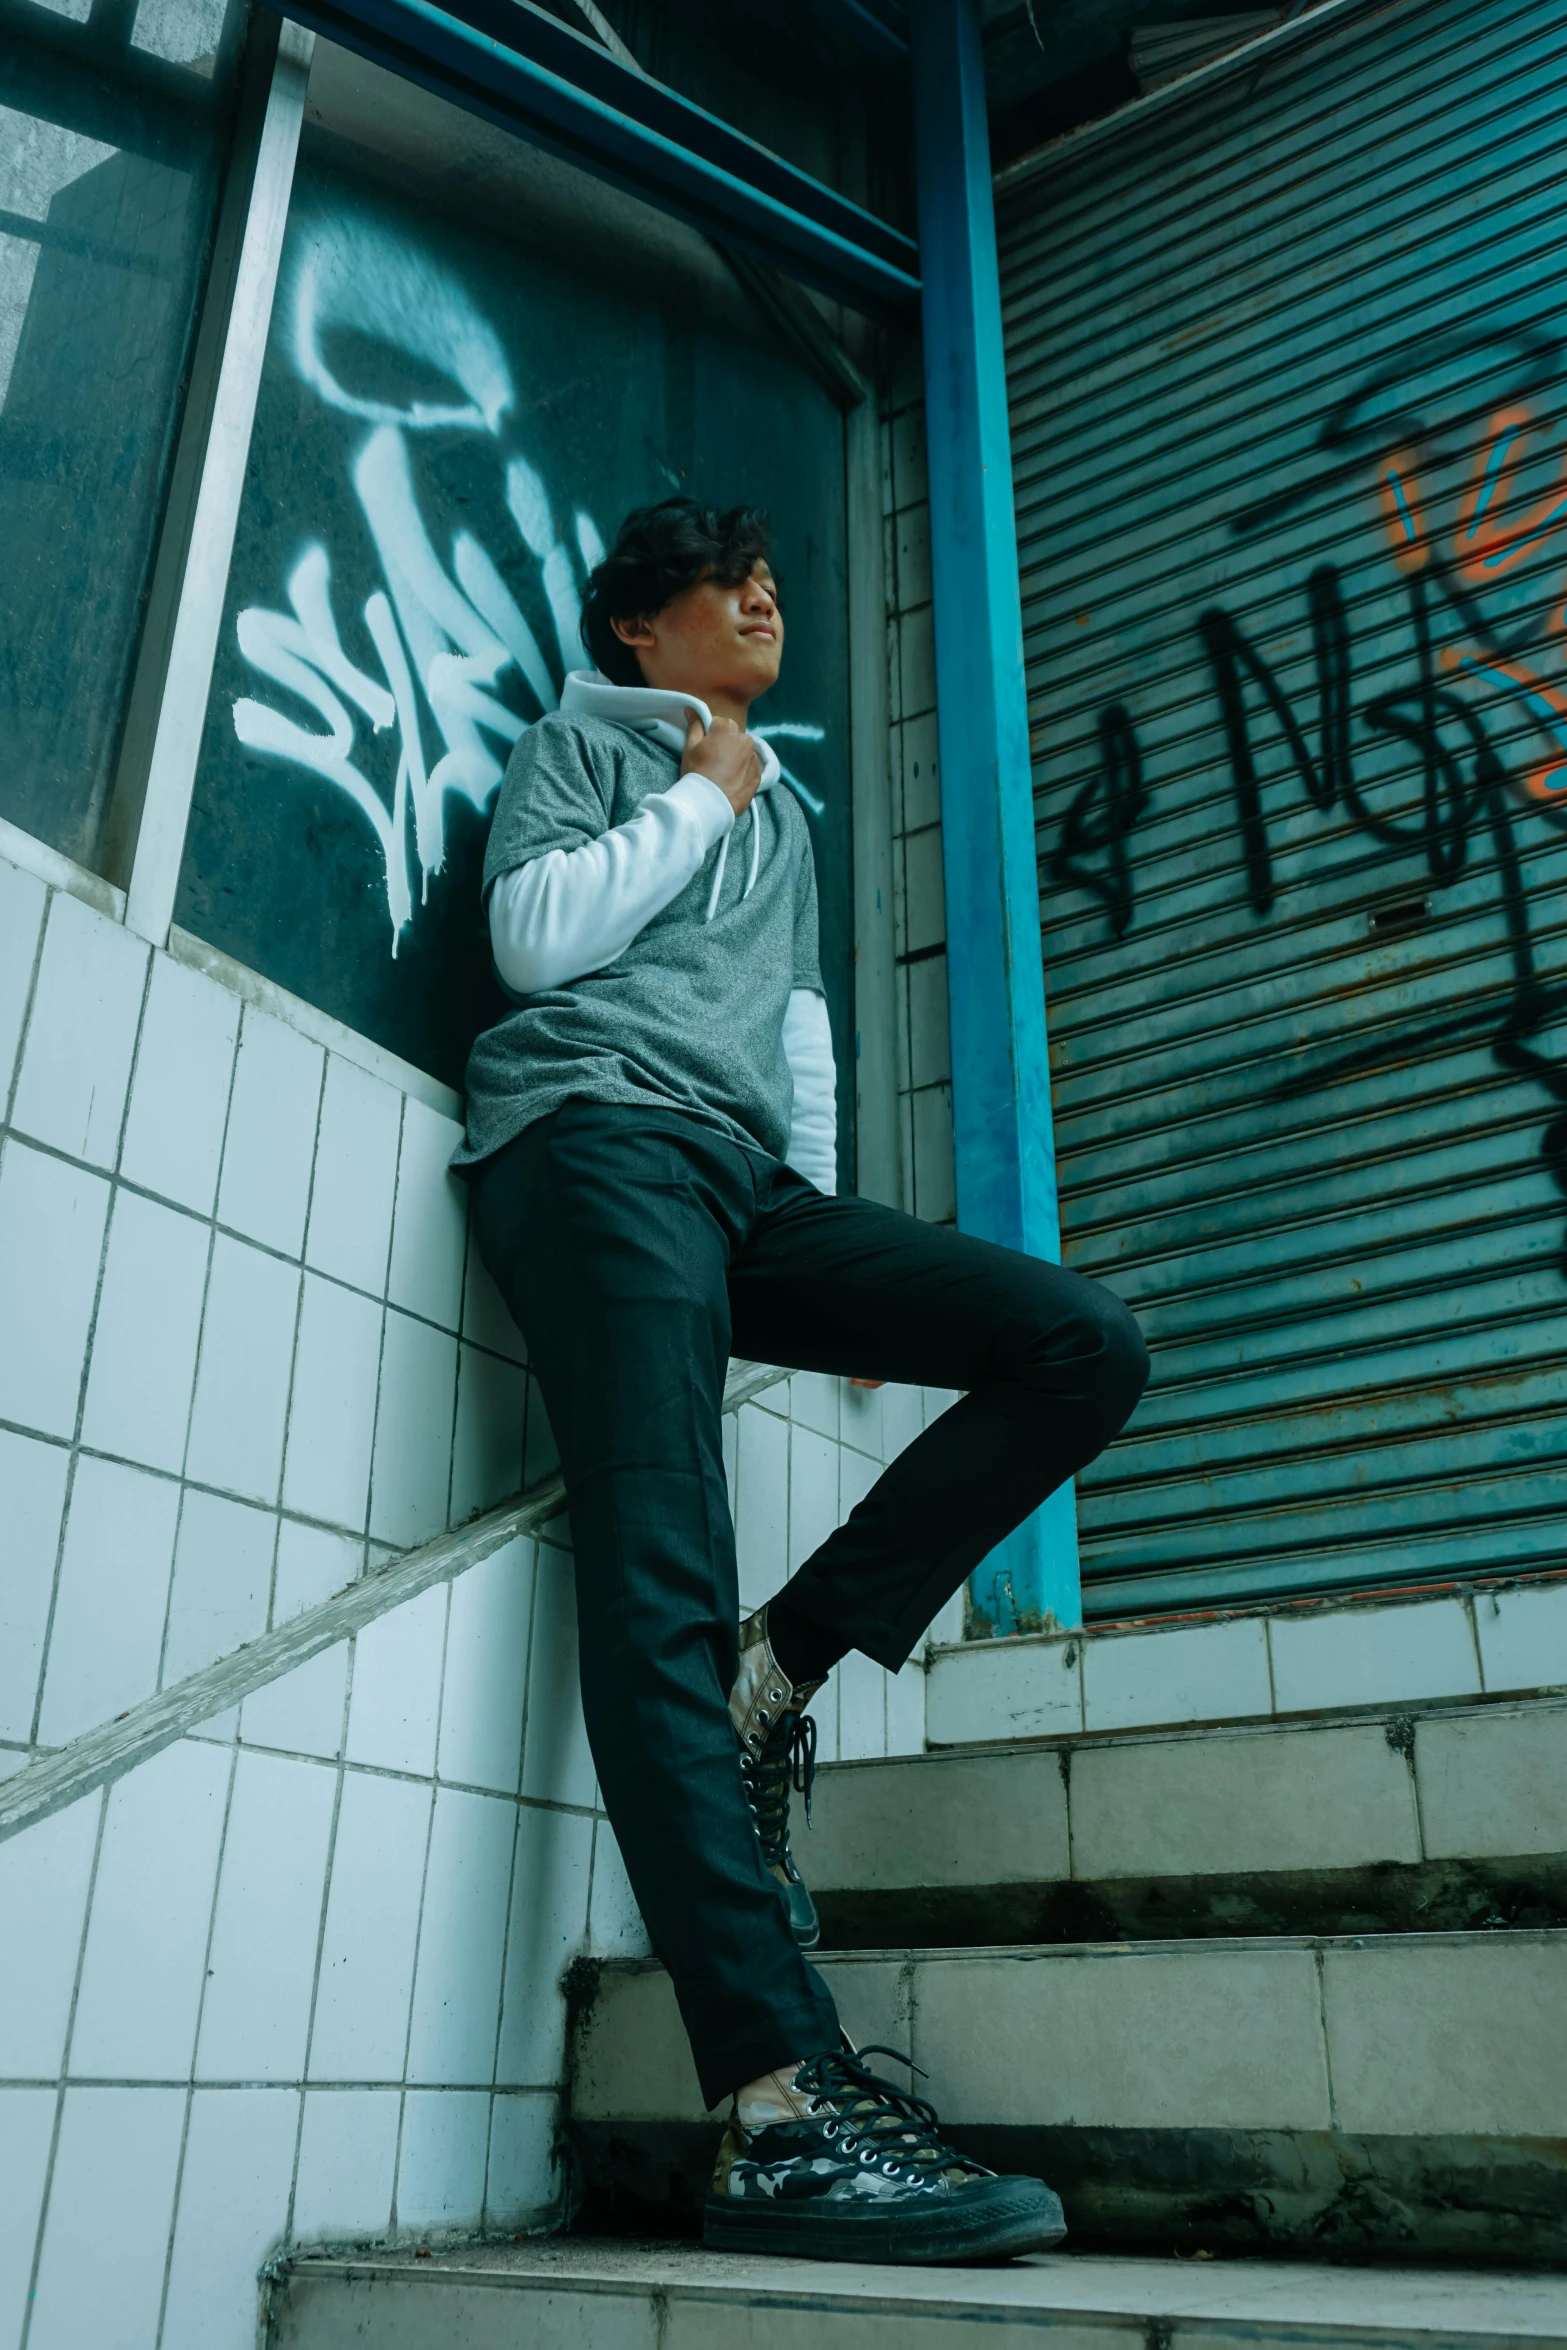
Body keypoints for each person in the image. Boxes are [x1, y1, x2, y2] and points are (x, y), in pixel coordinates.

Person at [454, 496, 1148, 2264]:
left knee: (1080, 1339)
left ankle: (788, 1666)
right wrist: (701, 791)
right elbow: (533, 940)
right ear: (638, 630)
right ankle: (772, 2115)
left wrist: (828, 1274)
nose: (762, 595)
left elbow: (801, 1037)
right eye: (721, 580)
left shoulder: (791, 821)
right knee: (657, 1575)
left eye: (769, 578)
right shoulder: (586, 749)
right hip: (596, 1144)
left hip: (742, 1186)